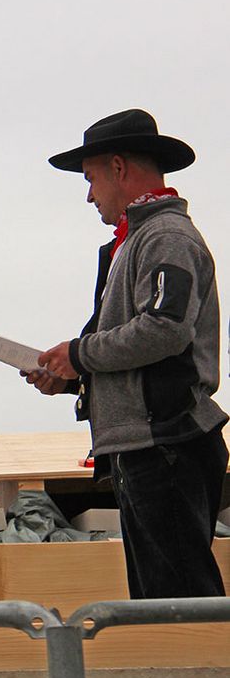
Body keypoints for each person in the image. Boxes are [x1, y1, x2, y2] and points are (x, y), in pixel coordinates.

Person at [22, 109, 228, 599]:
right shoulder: (143, 240)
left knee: (178, 604)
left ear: (118, 168)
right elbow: (152, 347)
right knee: (164, 601)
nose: (89, 194)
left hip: (164, 444)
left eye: (90, 178)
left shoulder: (164, 237)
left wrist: (79, 355)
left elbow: (164, 330)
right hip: (153, 444)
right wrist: (73, 376)